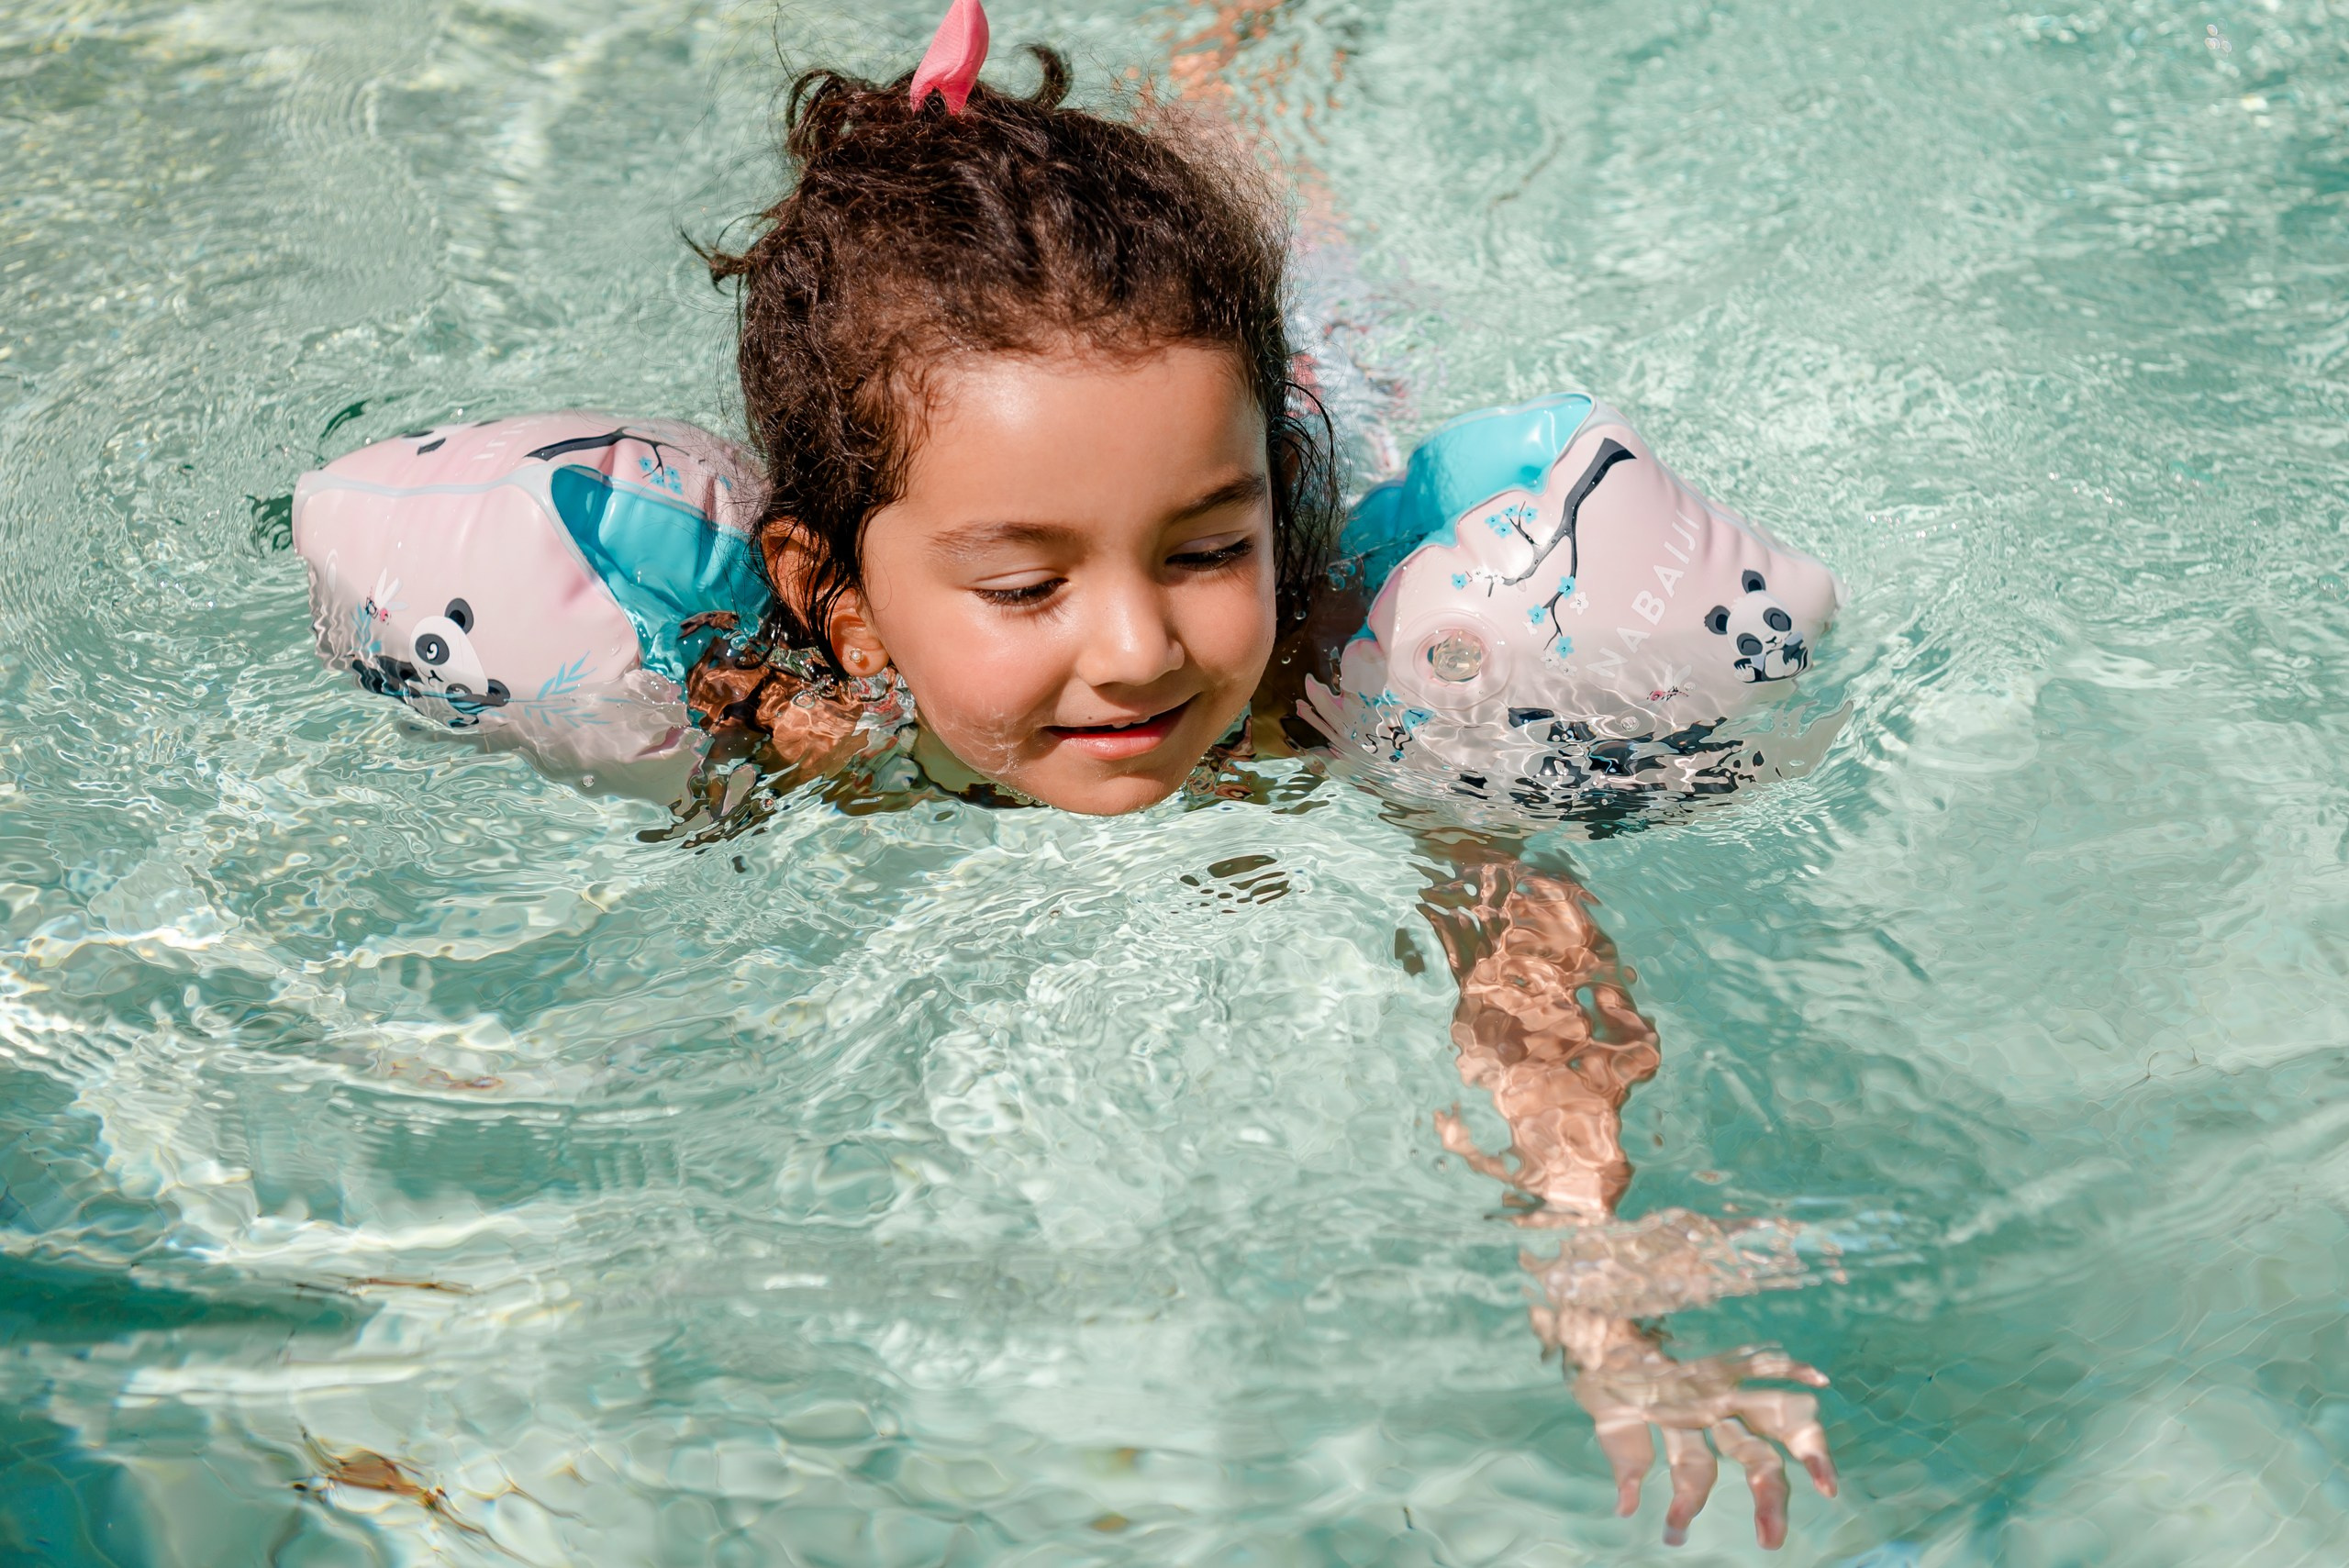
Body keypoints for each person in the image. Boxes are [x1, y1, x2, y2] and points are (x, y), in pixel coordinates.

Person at [671, 1, 1842, 1549]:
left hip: (1312, 386)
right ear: (834, 596)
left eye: (1210, 550)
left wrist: (1589, 1254)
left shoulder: (1303, 690)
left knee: (1293, 229)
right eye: (1026, 590)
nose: (1143, 647)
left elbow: (1520, 929)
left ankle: (1231, 65)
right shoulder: (798, 716)